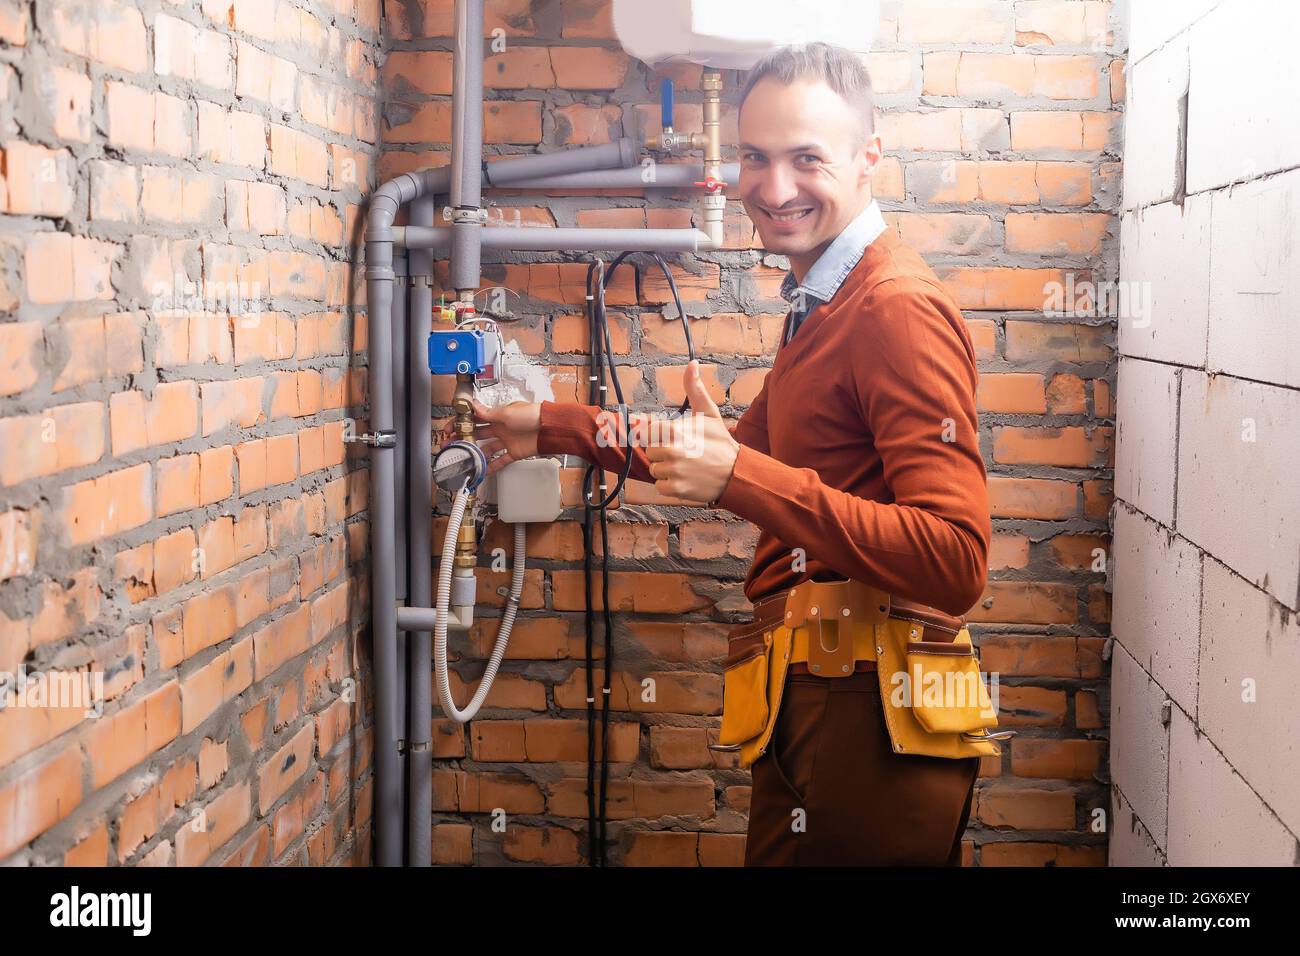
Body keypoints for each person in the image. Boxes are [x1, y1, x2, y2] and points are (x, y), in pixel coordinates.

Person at [453, 42, 991, 866]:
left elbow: (955, 558)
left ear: (868, 160)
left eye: (806, 158)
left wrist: (740, 474)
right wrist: (549, 428)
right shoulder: (823, 304)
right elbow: (722, 455)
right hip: (821, 695)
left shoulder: (894, 310)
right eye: (754, 158)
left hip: (876, 710)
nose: (773, 190)